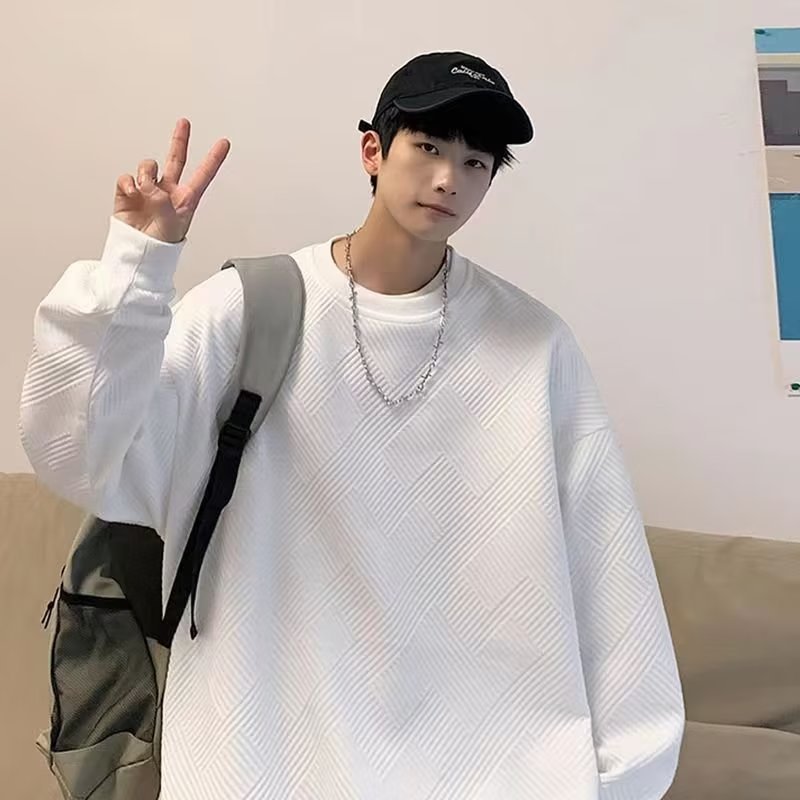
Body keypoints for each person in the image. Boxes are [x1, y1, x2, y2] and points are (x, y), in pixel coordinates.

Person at [19, 51, 685, 800]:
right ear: (373, 150)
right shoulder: (250, 309)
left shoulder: (534, 346)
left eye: (476, 162)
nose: (449, 178)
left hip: (491, 768)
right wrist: (137, 266)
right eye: (428, 147)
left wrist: (620, 778)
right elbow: (79, 456)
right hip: (259, 757)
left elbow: (607, 570)